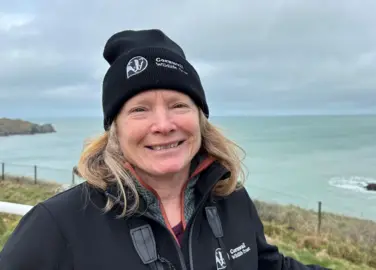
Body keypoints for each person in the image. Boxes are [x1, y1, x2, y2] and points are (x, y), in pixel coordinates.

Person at [0, 29, 330, 270]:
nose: (163, 124)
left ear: (200, 118)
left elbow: (265, 265)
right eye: (140, 109)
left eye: (178, 105)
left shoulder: (231, 199)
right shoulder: (58, 224)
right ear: (115, 128)